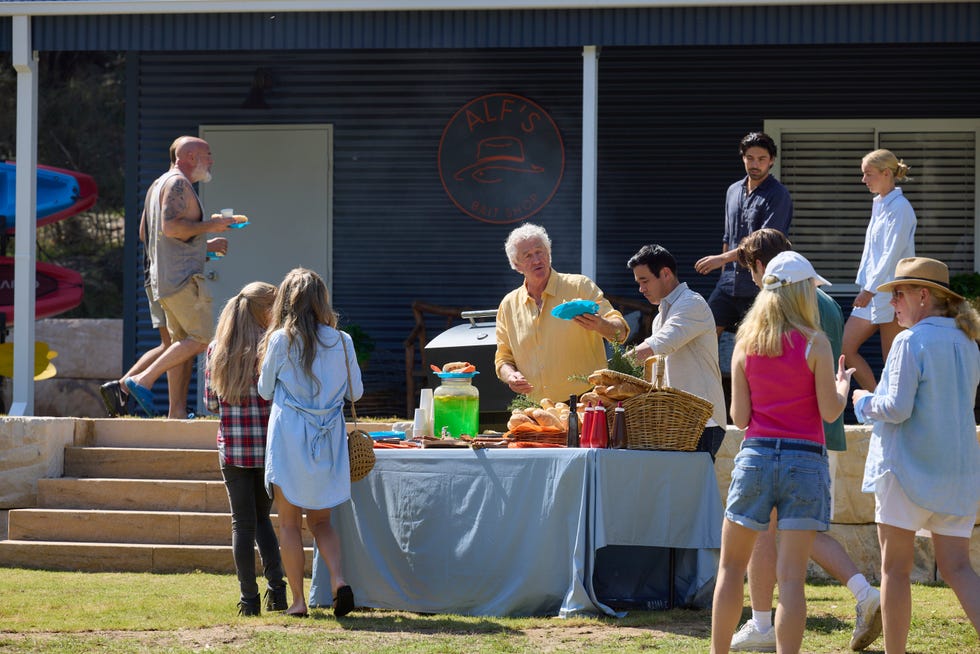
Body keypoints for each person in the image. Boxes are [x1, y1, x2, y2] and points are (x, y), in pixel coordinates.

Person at [731, 229, 881, 652]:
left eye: (751, 269)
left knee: (767, 535)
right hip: (817, 438)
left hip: (789, 438)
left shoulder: (772, 317)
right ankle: (864, 594)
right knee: (800, 533)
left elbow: (744, 411)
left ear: (764, 267)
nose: (752, 279)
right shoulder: (826, 304)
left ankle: (763, 625)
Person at [711, 251, 854, 654]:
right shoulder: (816, 343)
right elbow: (829, 411)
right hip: (805, 460)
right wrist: (842, 389)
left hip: (755, 456)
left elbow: (739, 417)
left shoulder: (745, 344)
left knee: (730, 568)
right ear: (801, 292)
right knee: (791, 580)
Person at [852, 257, 980, 653]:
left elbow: (896, 408)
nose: (893, 304)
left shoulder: (911, 341)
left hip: (905, 469)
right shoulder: (967, 340)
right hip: (956, 472)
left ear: (923, 296)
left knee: (894, 570)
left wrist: (861, 400)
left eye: (899, 295)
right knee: (960, 568)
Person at [258, 268, 363, 618]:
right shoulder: (342, 340)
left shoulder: (280, 340)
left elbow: (264, 389)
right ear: (322, 301)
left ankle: (299, 603)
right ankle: (338, 580)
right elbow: (356, 392)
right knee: (322, 522)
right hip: (328, 435)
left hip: (289, 434)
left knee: (288, 523)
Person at [123, 136, 236, 418]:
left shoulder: (158, 184)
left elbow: (147, 233)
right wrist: (213, 225)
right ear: (188, 156)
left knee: (181, 344)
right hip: (181, 279)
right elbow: (172, 227)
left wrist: (201, 246)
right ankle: (140, 380)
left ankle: (175, 413)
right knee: (202, 339)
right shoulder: (177, 184)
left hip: (163, 277)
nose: (211, 160)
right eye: (207, 154)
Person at [204, 281, 287, 617]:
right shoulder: (272, 348)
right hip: (268, 450)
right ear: (265, 310)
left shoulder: (216, 349)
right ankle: (278, 591)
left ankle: (248, 600)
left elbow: (212, 404)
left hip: (234, 450)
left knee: (242, 523)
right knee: (263, 519)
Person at [494, 223, 628, 403]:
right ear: (517, 265)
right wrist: (510, 376)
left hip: (587, 401)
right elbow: (503, 358)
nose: (536, 260)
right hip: (538, 408)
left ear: (549, 254)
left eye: (540, 252)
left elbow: (621, 333)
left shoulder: (580, 286)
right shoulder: (508, 305)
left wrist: (600, 324)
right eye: (528, 256)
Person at [625, 244, 727, 459]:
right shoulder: (660, 316)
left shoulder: (692, 303)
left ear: (665, 273)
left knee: (691, 491)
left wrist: (618, 364)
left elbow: (663, 342)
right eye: (638, 283)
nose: (641, 289)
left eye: (645, 281)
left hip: (704, 422)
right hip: (676, 422)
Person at [696, 132, 793, 336]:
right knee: (704, 335)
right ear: (743, 158)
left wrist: (721, 259)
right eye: (750, 158)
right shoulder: (733, 190)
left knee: (756, 342)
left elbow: (764, 244)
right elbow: (727, 236)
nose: (755, 164)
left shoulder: (778, 195)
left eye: (761, 159)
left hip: (759, 284)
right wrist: (723, 271)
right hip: (727, 284)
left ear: (772, 160)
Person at [844, 149, 917, 391]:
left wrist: (869, 290)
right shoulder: (880, 204)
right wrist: (868, 288)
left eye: (868, 174)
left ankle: (898, 415)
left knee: (893, 361)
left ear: (886, 173)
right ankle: (878, 402)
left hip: (892, 292)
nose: (863, 180)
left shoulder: (901, 208)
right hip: (874, 291)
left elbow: (891, 254)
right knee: (844, 349)